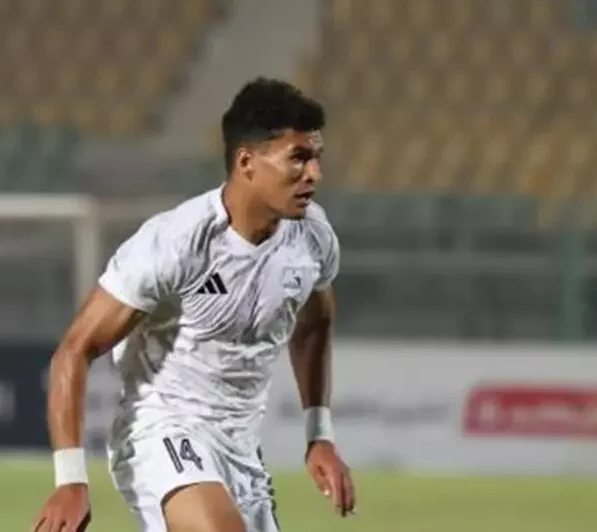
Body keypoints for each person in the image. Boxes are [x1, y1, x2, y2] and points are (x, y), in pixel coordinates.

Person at [32, 77, 356, 532]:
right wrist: (70, 479)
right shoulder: (174, 244)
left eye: (316, 157)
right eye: (298, 157)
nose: (314, 173)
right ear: (246, 162)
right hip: (160, 429)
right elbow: (74, 349)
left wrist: (318, 433)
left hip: (240, 446)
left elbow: (314, 326)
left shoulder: (313, 238)